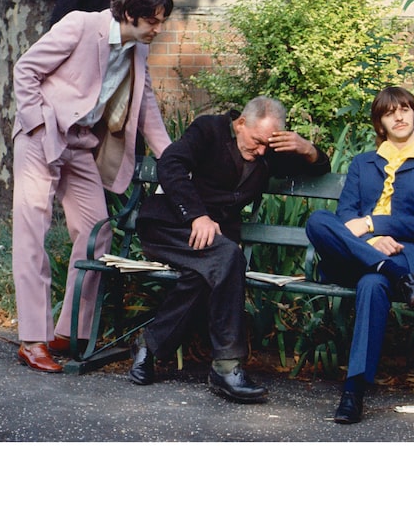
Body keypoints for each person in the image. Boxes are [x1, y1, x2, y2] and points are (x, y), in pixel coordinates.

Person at [12, 0, 174, 373]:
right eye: (153, 20)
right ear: (132, 13)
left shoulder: (137, 49)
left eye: (161, 21)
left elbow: (147, 107)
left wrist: (171, 159)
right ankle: (33, 339)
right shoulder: (81, 25)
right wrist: (37, 123)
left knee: (96, 230)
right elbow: (26, 69)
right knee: (32, 231)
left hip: (81, 142)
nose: (158, 28)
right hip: (42, 135)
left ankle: (69, 331)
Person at [129, 96, 331, 402]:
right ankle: (226, 367)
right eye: (256, 141)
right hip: (169, 227)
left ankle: (149, 346)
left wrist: (307, 149)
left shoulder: (266, 151)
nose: (261, 151)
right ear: (240, 124)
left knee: (210, 268)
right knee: (228, 257)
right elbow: (170, 163)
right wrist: (197, 215)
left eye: (267, 145)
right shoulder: (208, 130)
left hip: (211, 244)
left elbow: (318, 168)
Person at [305, 86, 414, 424]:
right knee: (318, 220)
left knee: (373, 284)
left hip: (403, 259)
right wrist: (371, 244)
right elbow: (344, 217)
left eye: (404, 109)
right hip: (372, 262)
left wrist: (373, 223)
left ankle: (353, 391)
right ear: (380, 123)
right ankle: (387, 269)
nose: (398, 117)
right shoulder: (362, 164)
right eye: (389, 112)